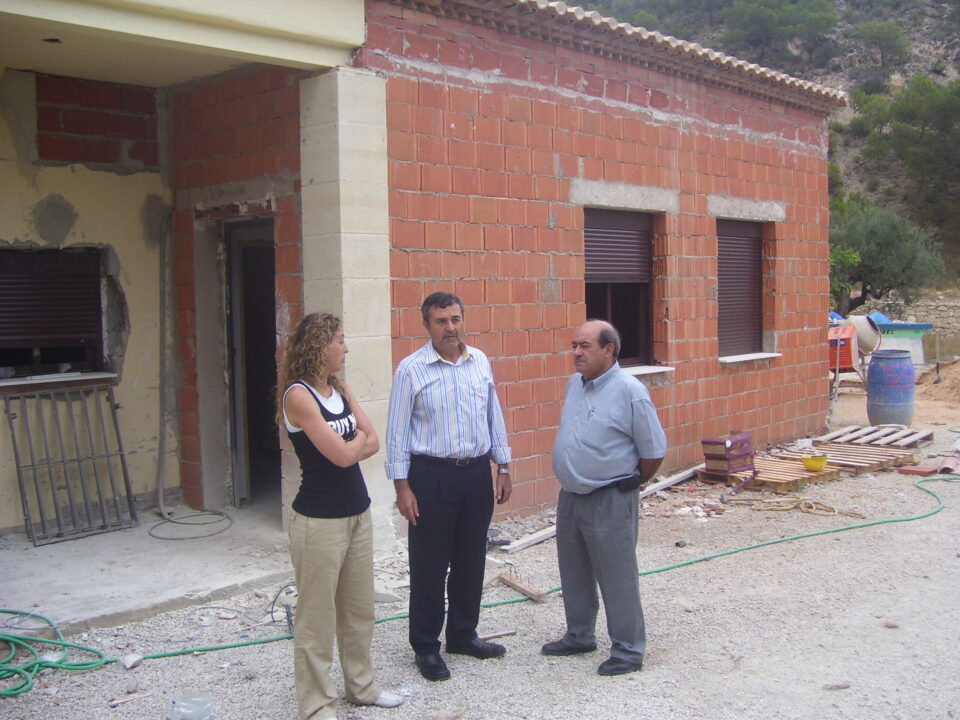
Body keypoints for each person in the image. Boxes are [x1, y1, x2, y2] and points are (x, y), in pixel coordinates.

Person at [278, 312, 402, 720]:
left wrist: (355, 443)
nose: (346, 348)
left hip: (357, 512)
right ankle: (316, 707)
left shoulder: (339, 388)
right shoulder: (299, 395)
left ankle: (361, 687)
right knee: (317, 617)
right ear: (320, 345)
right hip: (318, 521)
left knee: (358, 608)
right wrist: (355, 443)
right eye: (340, 340)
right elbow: (345, 454)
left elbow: (373, 439)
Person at [386, 291, 512, 681]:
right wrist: (402, 488)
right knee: (429, 565)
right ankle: (426, 646)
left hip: (475, 474)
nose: (450, 328)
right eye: (441, 321)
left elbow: (494, 414)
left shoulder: (480, 363)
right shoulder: (411, 370)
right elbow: (396, 433)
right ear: (426, 325)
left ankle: (463, 634)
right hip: (431, 476)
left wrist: (503, 465)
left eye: (455, 319)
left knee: (471, 560)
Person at [542, 319, 666, 676]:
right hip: (572, 496)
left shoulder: (631, 391)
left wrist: (625, 483)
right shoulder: (575, 384)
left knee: (617, 575)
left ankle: (628, 651)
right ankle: (579, 635)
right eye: (574, 345)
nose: (576, 353)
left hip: (610, 497)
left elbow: (653, 450)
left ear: (609, 350)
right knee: (574, 570)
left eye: (585, 346)